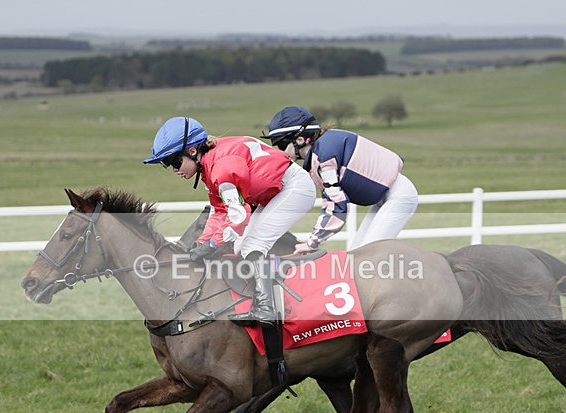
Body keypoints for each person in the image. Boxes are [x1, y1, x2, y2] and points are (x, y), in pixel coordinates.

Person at [144, 116, 316, 327]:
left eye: (175, 162)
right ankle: (261, 297)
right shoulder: (209, 167)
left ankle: (266, 308)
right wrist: (200, 243)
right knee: (242, 246)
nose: (175, 169)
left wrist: (211, 245)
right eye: (168, 165)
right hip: (275, 191)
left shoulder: (221, 169)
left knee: (254, 244)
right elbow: (219, 212)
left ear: (192, 151)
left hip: (294, 188)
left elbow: (239, 217)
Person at [261, 106, 419, 253]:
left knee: (367, 257)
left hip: (398, 197)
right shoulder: (323, 149)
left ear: (300, 139)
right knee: (355, 255)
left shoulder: (324, 159)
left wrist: (312, 243)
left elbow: (337, 206)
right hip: (387, 196)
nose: (281, 152)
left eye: (281, 145)